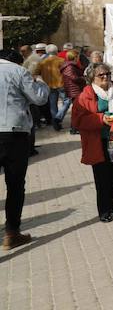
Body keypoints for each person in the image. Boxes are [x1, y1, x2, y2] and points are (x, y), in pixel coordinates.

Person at [0, 48, 49, 250]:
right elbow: (39, 98)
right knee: (15, 184)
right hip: (13, 132)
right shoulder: (18, 71)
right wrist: (41, 83)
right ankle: (12, 233)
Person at [72, 62, 113, 222]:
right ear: (92, 77)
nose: (105, 77)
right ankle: (103, 210)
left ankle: (110, 204)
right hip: (98, 142)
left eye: (108, 74)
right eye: (101, 75)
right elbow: (78, 121)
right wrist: (101, 118)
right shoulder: (85, 96)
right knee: (102, 177)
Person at [36, 44, 65, 127]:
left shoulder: (42, 62)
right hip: (61, 84)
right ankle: (58, 118)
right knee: (66, 102)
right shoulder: (61, 61)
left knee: (53, 104)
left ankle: (55, 121)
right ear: (56, 51)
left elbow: (37, 72)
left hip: (49, 84)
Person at [59, 50, 86, 132]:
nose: (78, 58)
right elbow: (74, 77)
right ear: (75, 57)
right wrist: (83, 78)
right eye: (77, 56)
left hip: (74, 90)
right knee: (77, 110)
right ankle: (74, 128)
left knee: (77, 110)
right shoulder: (70, 66)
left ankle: (75, 127)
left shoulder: (71, 65)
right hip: (74, 90)